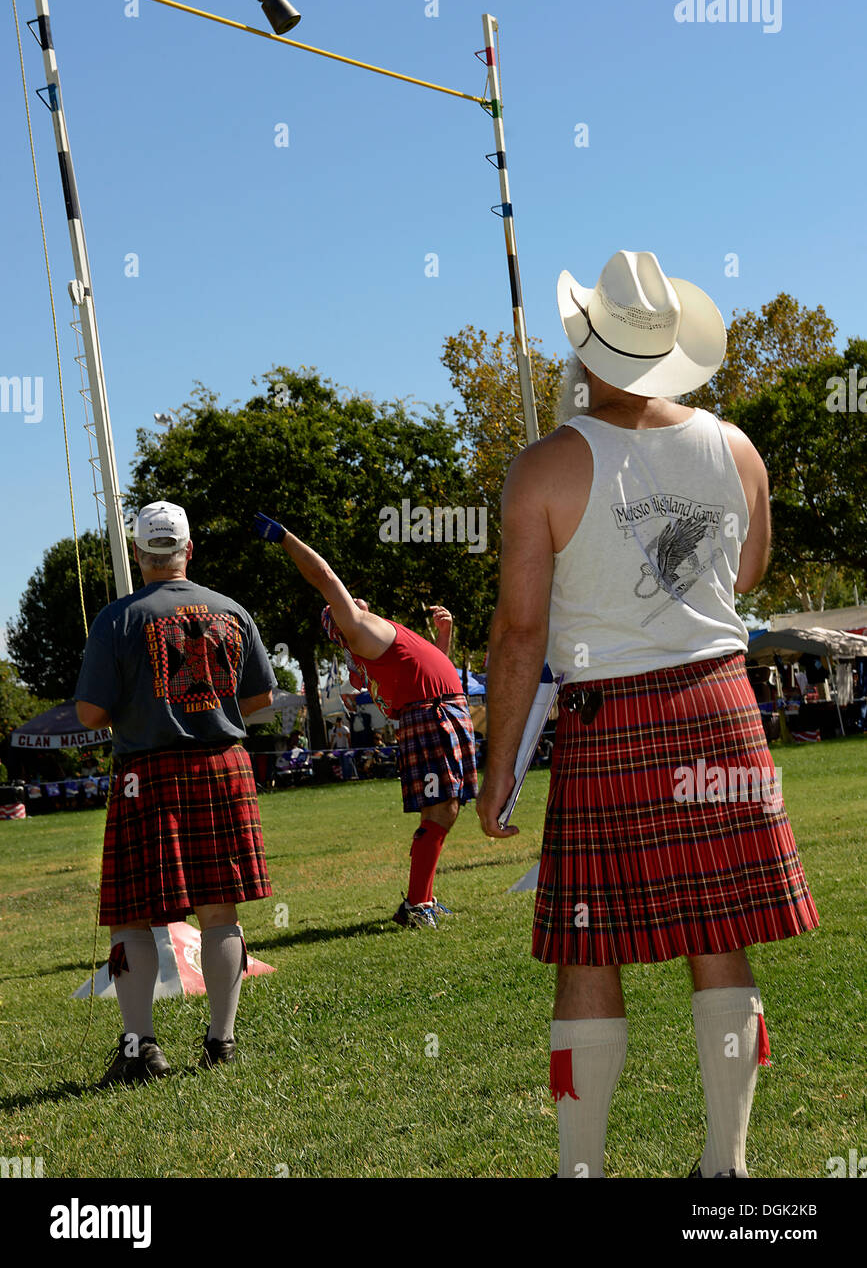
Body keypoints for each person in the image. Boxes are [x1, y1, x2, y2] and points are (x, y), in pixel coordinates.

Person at [475, 250, 819, 1178]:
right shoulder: (734, 446)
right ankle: (726, 1166)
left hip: (606, 716)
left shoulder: (542, 467)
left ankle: (580, 1171)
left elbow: (517, 634)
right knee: (718, 935)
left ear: (586, 349)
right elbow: (741, 577)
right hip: (720, 706)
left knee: (590, 941)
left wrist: (498, 760)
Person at [75, 500, 276, 1084]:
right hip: (222, 766)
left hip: (147, 774)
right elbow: (260, 700)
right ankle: (222, 1042)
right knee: (220, 907)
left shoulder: (117, 619)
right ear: (189, 550)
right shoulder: (231, 610)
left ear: (141, 555)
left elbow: (90, 713)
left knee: (132, 915)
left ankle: (140, 1049)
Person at [253, 513, 476, 928]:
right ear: (339, 623)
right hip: (435, 715)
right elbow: (322, 575)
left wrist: (443, 639)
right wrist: (285, 537)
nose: (353, 600)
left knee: (441, 810)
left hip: (439, 711)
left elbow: (425, 668)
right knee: (442, 810)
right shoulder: (359, 631)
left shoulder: (372, 641)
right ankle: (417, 905)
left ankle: (419, 901)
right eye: (344, 605)